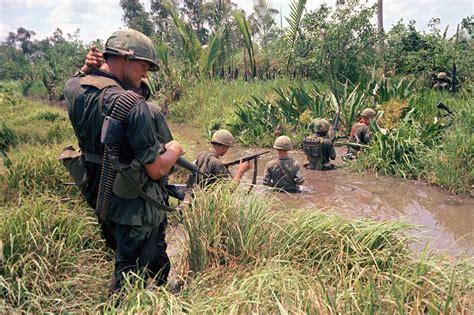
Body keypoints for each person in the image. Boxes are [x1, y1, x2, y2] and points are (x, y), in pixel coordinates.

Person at [63, 28, 184, 293]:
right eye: (144, 65)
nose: (145, 74)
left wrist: (85, 68)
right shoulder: (130, 103)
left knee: (131, 253)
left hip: (100, 194)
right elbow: (156, 170)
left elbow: (80, 79)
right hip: (133, 203)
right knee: (129, 272)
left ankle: (161, 288)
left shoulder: (73, 87)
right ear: (124, 59)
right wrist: (175, 149)